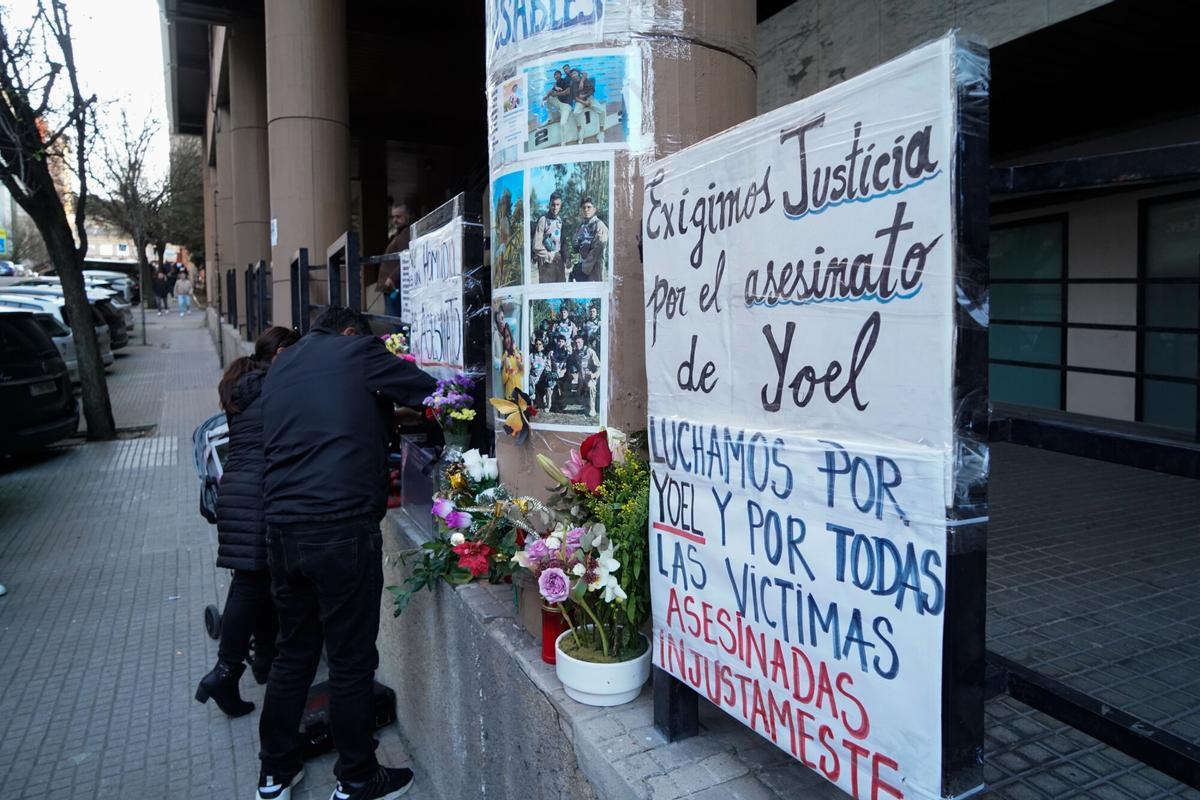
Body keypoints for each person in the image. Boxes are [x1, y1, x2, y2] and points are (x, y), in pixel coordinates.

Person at [256, 307, 436, 800]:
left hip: (281, 532)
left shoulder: (283, 364)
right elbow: (432, 393)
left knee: (293, 653)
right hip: (339, 529)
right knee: (351, 660)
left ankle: (274, 773)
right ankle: (357, 778)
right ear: (353, 330)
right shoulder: (357, 351)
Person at [195, 326, 301, 719]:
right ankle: (226, 672)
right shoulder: (270, 389)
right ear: (280, 354)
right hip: (257, 496)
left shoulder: (247, 384)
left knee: (254, 584)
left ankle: (250, 666)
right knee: (252, 586)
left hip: (239, 493)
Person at [377, 203, 413, 318]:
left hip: (395, 286)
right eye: (393, 217)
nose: (395, 220)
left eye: (398, 217)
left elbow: (408, 256)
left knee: (397, 323)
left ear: (407, 216)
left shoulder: (406, 233)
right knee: (395, 323)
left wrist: (393, 277)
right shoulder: (400, 234)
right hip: (392, 287)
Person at [571, 197, 609, 282]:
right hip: (582, 267)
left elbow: (597, 249)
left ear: (594, 209)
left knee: (594, 294)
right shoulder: (581, 226)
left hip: (594, 268)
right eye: (584, 207)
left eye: (589, 207)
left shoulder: (599, 226)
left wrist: (584, 267)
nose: (586, 210)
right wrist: (576, 244)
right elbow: (576, 247)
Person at [532, 193, 566, 283]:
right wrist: (550, 255)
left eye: (557, 205)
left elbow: (563, 243)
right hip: (546, 264)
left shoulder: (560, 221)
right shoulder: (543, 220)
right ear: (549, 205)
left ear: (560, 206)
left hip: (559, 263)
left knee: (561, 291)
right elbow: (536, 245)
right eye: (553, 205)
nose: (555, 207)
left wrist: (567, 258)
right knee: (547, 293)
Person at [567, 335, 602, 416]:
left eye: (579, 342)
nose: (577, 344)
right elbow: (571, 364)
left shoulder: (590, 351)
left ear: (583, 342)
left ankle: (592, 409)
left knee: (591, 386)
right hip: (580, 377)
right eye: (576, 343)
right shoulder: (575, 352)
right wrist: (571, 373)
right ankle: (585, 404)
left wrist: (594, 375)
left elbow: (599, 366)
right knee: (579, 398)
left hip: (589, 376)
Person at [499, 327, 523, 401]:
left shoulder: (517, 352)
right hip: (510, 396)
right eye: (504, 338)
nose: (507, 340)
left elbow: (522, 372)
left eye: (508, 336)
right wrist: (507, 369)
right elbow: (503, 380)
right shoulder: (505, 357)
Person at [528, 338, 548, 409]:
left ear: (543, 346)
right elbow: (528, 370)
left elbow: (547, 368)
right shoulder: (531, 356)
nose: (538, 346)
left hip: (541, 381)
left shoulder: (545, 357)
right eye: (536, 344)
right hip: (533, 380)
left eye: (540, 344)